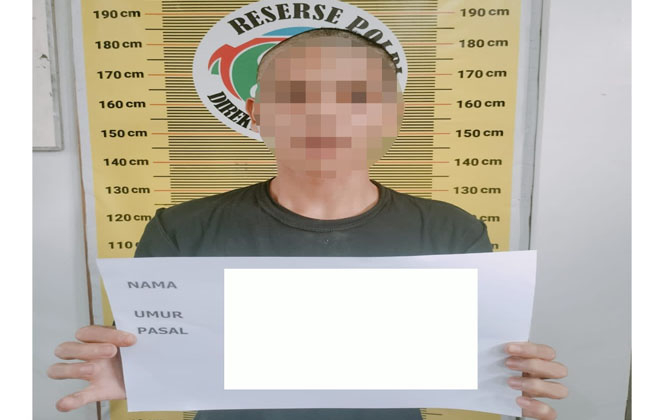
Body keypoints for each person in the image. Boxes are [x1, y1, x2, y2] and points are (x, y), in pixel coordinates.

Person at [48, 28, 568, 420]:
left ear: (392, 115)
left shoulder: (453, 234)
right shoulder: (181, 231)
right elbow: (159, 356)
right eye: (295, 95)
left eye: (357, 97)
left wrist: (512, 376)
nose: (324, 115)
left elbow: (473, 362)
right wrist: (136, 373)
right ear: (256, 112)